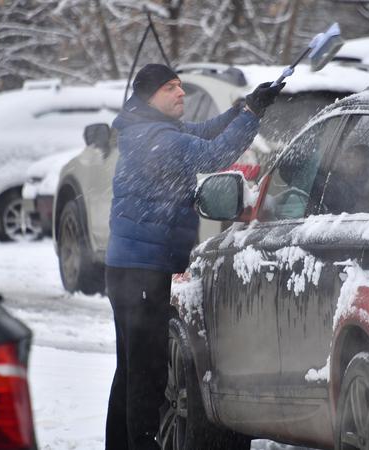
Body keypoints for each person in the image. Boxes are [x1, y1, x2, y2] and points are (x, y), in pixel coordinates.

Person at [104, 63, 283, 450]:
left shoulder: (148, 130)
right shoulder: (161, 140)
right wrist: (251, 118)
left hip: (127, 268)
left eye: (181, 86)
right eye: (171, 88)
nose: (181, 93)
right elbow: (212, 154)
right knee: (147, 373)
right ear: (151, 96)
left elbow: (202, 133)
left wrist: (241, 109)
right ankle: (142, 444)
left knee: (130, 369)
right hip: (142, 272)